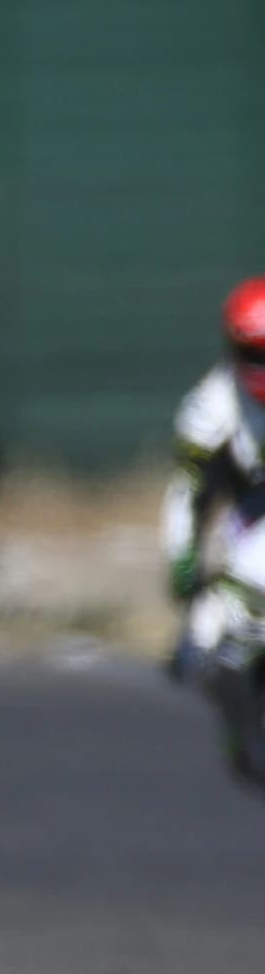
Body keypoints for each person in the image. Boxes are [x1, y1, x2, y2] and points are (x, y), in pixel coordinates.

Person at [161, 278, 265, 718]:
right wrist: (182, 558)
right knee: (209, 623)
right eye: (255, 353)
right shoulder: (210, 404)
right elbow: (188, 491)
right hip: (254, 510)